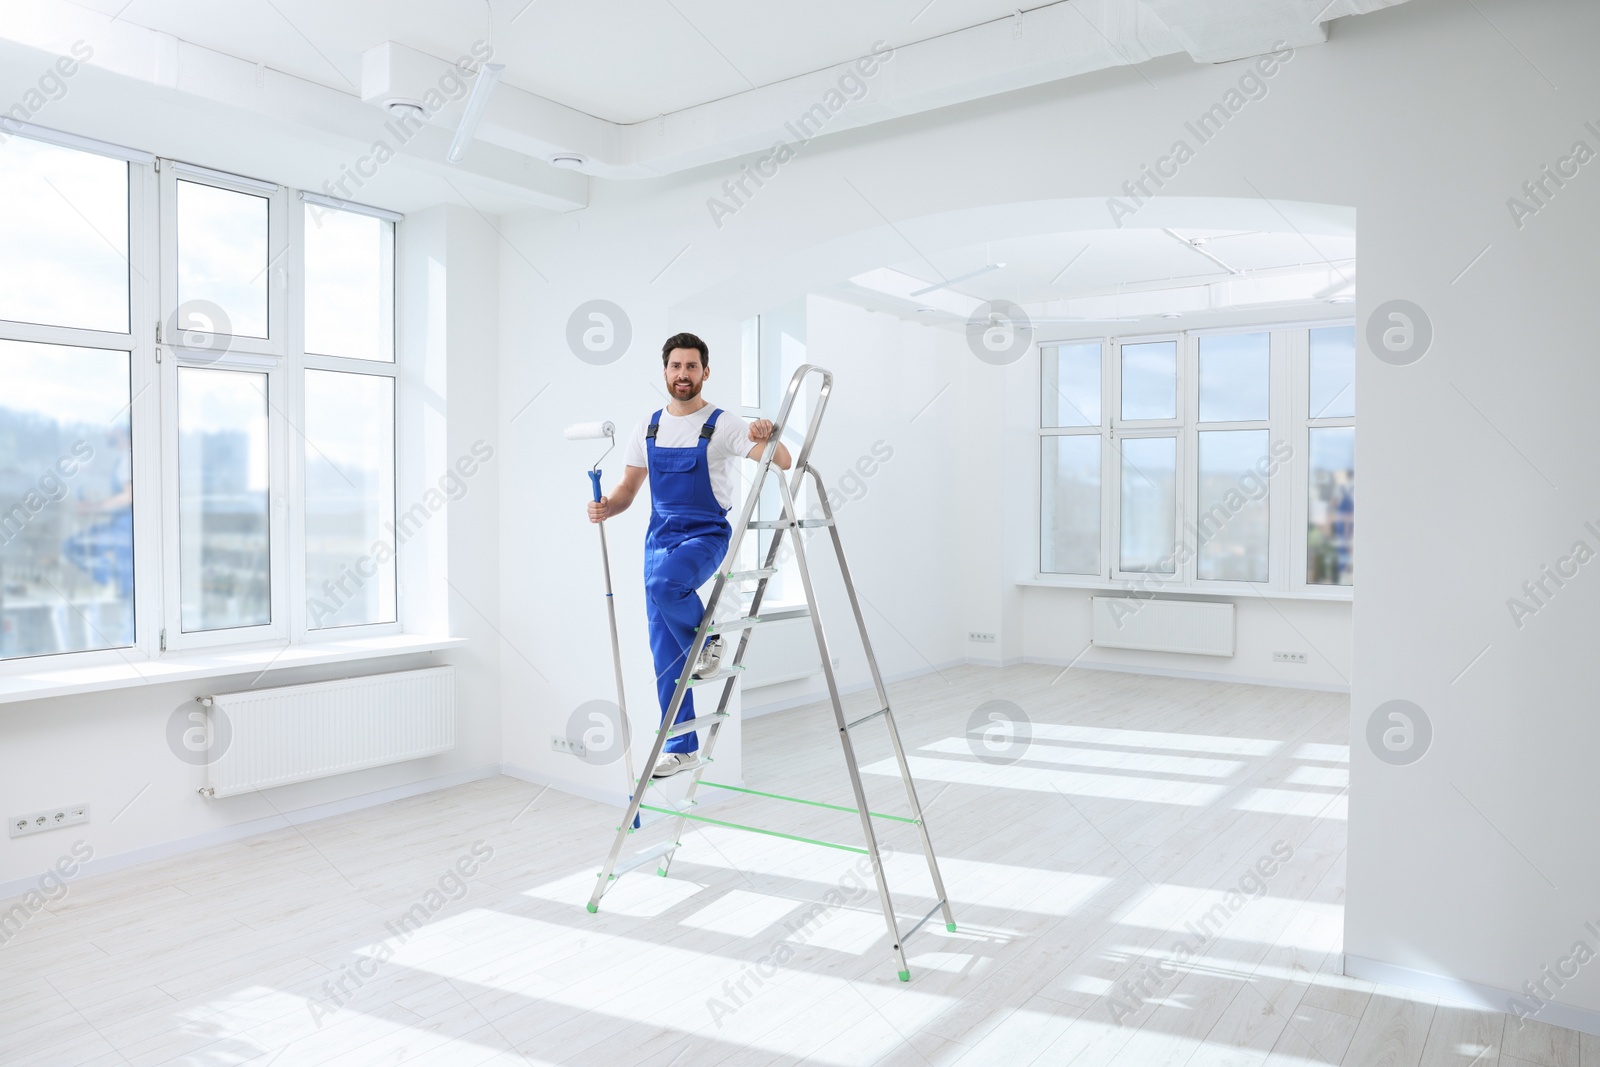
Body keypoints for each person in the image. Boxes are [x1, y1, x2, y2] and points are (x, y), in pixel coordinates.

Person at [587, 333, 791, 778]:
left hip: (705, 535)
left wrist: (769, 431)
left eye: (691, 367)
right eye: (676, 366)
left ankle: (709, 638)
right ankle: (681, 747)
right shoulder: (648, 426)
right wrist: (607, 507)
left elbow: (784, 460)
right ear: (665, 371)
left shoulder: (723, 423)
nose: (683, 374)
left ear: (705, 372)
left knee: (666, 586)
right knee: (664, 654)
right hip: (657, 540)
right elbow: (627, 491)